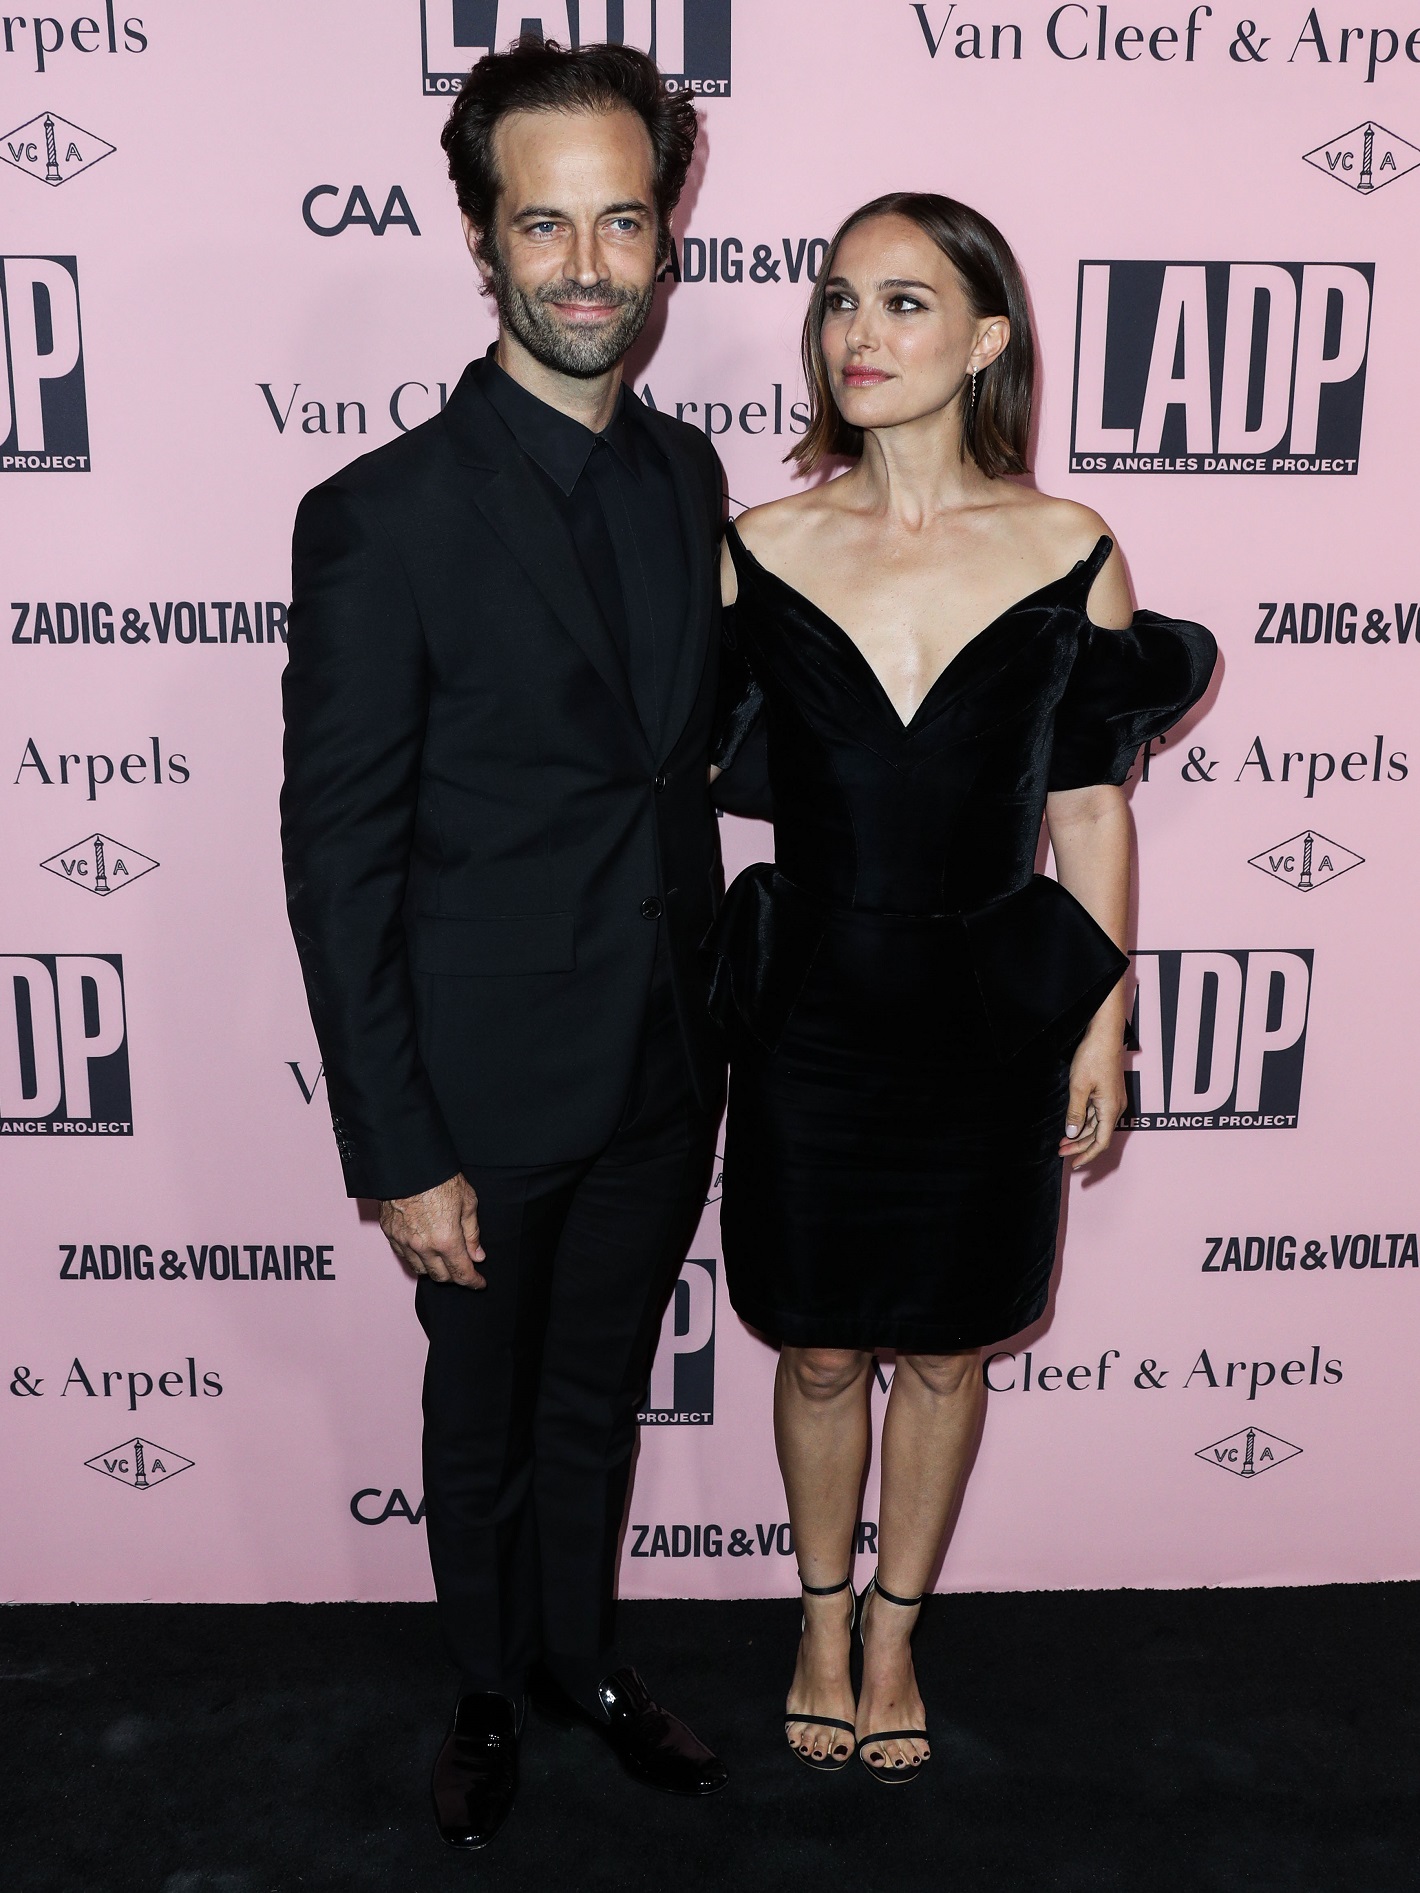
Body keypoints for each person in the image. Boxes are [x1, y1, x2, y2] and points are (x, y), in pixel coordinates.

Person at [281, 36, 758, 1850]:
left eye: (619, 221)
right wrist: (396, 1144)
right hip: (479, 1085)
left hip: (666, 1056)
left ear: (666, 236)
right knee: (480, 1413)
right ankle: (486, 1686)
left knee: (597, 1394)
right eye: (543, 224)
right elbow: (338, 855)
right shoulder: (379, 517)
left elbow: (699, 748)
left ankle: (584, 1660)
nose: (585, 264)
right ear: (480, 237)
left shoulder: (688, 474)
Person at [707, 192, 1216, 1784]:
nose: (858, 335)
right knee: (815, 1349)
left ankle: (895, 1633)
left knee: (943, 1351)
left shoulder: (1072, 549)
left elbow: (1090, 815)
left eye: (905, 302)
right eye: (839, 301)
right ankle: (815, 1620)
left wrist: (1103, 1025)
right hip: (812, 1013)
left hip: (989, 1017)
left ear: (987, 336)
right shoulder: (760, 548)